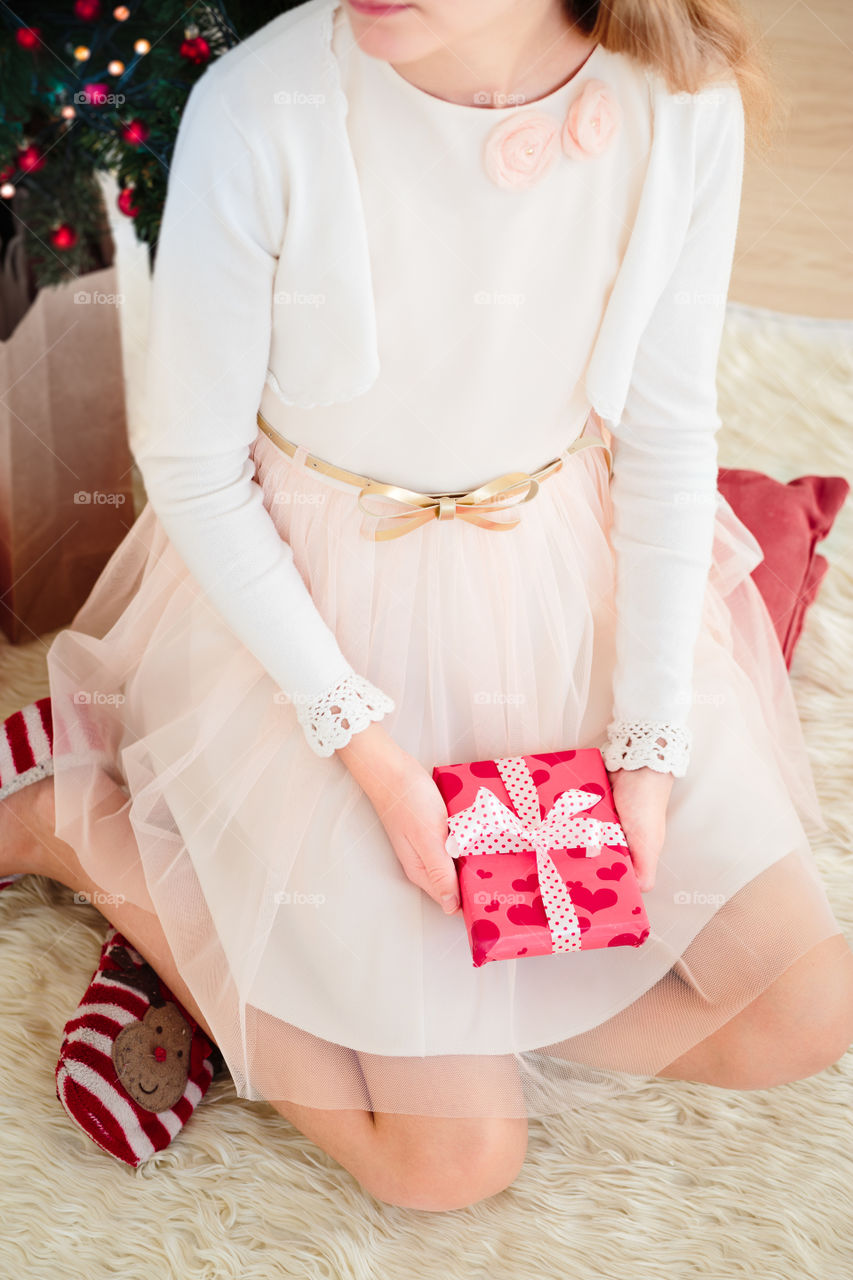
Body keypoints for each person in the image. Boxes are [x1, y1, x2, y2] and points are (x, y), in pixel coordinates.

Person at [2, 0, 852, 1212]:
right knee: (451, 1159)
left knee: (805, 1011)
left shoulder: (682, 102)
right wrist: (375, 757)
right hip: (314, 623)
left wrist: (648, 753)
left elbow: (668, 437)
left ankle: (303, 973)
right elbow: (193, 469)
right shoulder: (266, 105)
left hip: (560, 590)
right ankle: (75, 824)